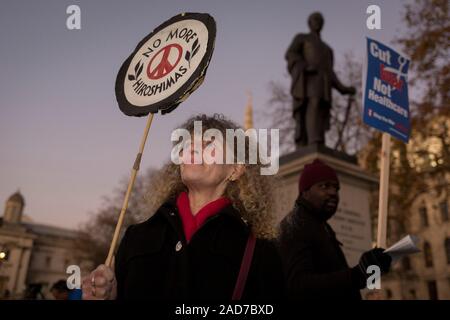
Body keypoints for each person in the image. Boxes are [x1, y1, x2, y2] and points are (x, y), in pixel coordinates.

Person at [81, 114, 284, 300]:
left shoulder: (259, 250)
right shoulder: (136, 236)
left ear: (236, 169)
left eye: (209, 144)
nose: (193, 150)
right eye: (188, 145)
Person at [277, 159, 392, 300]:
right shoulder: (295, 225)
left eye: (336, 188)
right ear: (305, 192)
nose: (333, 192)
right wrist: (357, 274)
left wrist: (369, 271)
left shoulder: (319, 225)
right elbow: (298, 285)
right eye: (324, 186)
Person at [286, 12, 356, 147]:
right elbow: (291, 54)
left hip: (324, 85)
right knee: (313, 105)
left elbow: (331, 73)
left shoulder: (327, 49)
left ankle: (318, 141)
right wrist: (304, 66)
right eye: (315, 19)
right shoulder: (302, 38)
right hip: (308, 82)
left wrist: (344, 89)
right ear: (310, 23)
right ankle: (313, 141)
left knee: (321, 110)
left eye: (320, 20)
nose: (317, 22)